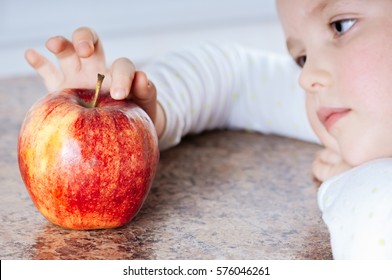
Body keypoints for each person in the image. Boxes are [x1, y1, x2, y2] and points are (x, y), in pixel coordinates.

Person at [24, 0, 392, 259]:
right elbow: (232, 73)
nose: (308, 77)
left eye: (341, 25)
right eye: (301, 57)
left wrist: (354, 182)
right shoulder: (359, 105)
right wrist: (148, 112)